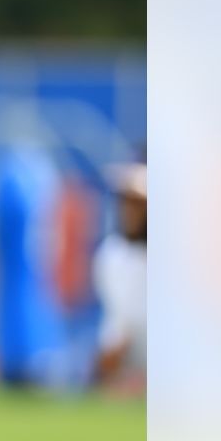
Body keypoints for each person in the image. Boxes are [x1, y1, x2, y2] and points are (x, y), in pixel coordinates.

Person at [92, 161, 146, 388]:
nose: (129, 211)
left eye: (137, 204)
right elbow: (115, 340)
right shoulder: (112, 257)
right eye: (126, 202)